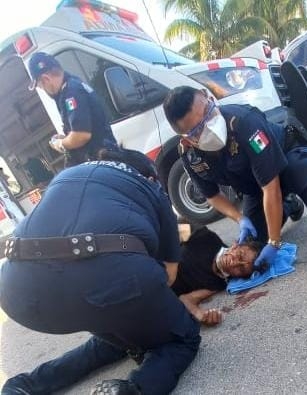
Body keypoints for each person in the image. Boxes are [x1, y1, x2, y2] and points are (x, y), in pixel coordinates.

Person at [0, 148, 201, 395]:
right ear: (150, 177)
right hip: (101, 285)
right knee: (184, 336)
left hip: (16, 294)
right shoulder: (151, 189)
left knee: (111, 340)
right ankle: (132, 390)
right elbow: (168, 275)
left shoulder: (68, 174)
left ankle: (24, 386)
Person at [163, 86, 307, 276]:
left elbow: (271, 187)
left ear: (208, 96)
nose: (209, 123)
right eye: (198, 128)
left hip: (288, 157)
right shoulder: (190, 155)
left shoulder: (243, 122)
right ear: (187, 139)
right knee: (253, 243)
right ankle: (289, 204)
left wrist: (275, 242)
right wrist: (240, 218)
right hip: (257, 188)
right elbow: (212, 195)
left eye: (208, 111)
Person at [28, 52, 118, 167]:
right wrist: (66, 138)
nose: (43, 90)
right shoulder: (72, 84)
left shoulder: (71, 92)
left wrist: (60, 144)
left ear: (46, 79)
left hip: (100, 163)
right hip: (102, 158)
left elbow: (81, 136)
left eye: (40, 86)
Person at [173, 225, 262, 325]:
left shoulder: (217, 284)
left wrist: (202, 315)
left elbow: (186, 299)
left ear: (238, 277)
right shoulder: (205, 237)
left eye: (241, 269)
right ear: (235, 245)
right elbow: (166, 233)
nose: (234, 263)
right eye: (240, 255)